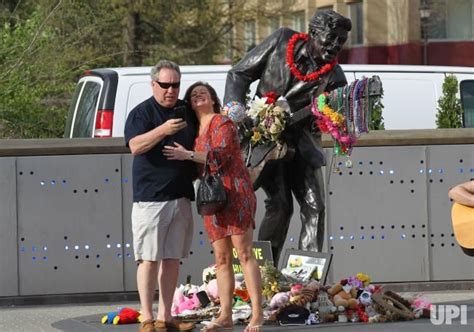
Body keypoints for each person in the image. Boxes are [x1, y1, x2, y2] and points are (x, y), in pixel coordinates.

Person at [223, 9, 352, 264]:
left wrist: (337, 119)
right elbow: (239, 74)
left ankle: (304, 283)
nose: (335, 45)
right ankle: (261, 274)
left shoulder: (335, 78)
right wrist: (235, 110)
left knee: (315, 208)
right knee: (280, 206)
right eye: (331, 37)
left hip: (303, 146)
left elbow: (335, 121)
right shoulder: (282, 40)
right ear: (313, 33)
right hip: (263, 142)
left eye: (341, 40)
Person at [163, 82, 263, 332]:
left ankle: (257, 314)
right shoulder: (195, 131)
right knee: (221, 258)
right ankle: (225, 314)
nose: (198, 96)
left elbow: (219, 156)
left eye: (203, 93)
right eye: (193, 94)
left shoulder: (222, 122)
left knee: (245, 252)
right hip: (211, 198)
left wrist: (187, 155)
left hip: (235, 191)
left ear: (213, 99)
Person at [124, 60, 196, 332]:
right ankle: (147, 316)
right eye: (164, 85)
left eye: (175, 84)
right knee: (148, 259)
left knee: (172, 259)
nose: (170, 90)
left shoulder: (186, 111)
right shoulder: (141, 113)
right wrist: (163, 130)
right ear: (153, 84)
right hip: (150, 198)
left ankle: (167, 317)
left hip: (180, 196)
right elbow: (135, 146)